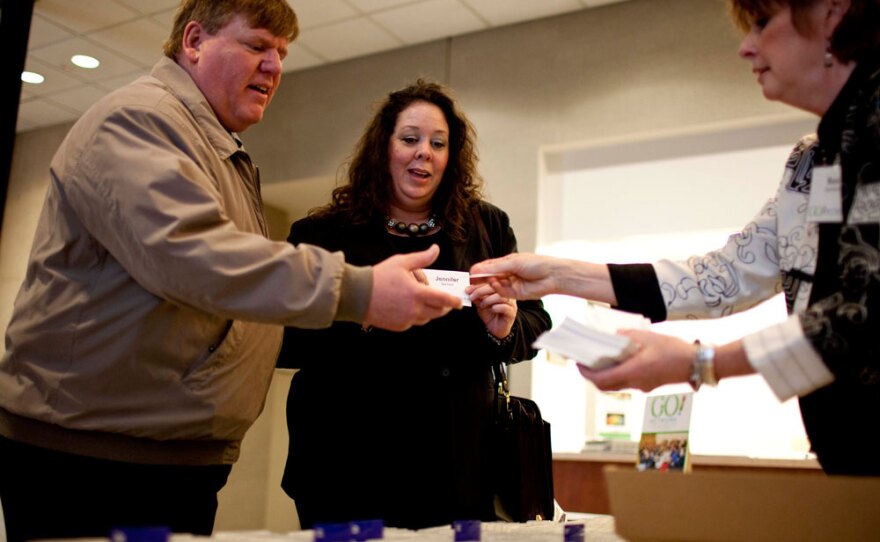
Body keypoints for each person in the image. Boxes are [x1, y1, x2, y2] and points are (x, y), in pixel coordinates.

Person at [0, 2, 462, 540]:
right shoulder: (139, 119)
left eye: (282, 53)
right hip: (95, 460)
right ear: (194, 41)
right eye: (257, 46)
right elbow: (193, 256)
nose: (274, 67)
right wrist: (357, 289)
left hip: (164, 456)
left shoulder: (213, 145)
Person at [471, 0, 880, 476]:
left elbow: (862, 314)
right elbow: (722, 276)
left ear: (834, 12)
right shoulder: (812, 162)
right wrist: (557, 274)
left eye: (763, 23)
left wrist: (700, 362)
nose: (746, 48)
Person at [276, 79, 552, 529]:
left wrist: (504, 328)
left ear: (450, 156)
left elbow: (538, 323)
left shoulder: (486, 228)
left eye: (438, 143)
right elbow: (283, 338)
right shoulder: (323, 235)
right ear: (383, 148)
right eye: (410, 139)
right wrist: (363, 309)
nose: (424, 151)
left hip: (458, 466)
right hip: (346, 465)